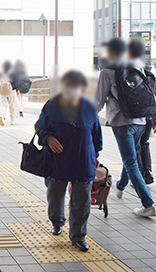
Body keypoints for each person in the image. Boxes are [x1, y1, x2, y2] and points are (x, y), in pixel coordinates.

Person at [36, 71, 102, 252]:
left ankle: (78, 236)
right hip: (59, 160)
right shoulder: (52, 106)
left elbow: (96, 135)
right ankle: (57, 222)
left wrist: (95, 155)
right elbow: (40, 128)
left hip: (83, 160)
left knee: (82, 201)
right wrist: (48, 138)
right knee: (55, 194)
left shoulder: (89, 108)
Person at [95, 38, 156, 217]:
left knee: (130, 161)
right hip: (140, 121)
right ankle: (121, 186)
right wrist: (154, 117)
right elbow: (149, 92)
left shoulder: (108, 71)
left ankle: (148, 203)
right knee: (130, 157)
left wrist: (89, 116)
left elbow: (99, 100)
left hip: (122, 122)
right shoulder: (138, 66)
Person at [126, 41, 156, 185]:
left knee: (133, 146)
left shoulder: (126, 70)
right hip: (148, 114)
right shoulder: (151, 70)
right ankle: (147, 173)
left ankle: (136, 176)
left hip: (132, 115)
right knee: (144, 143)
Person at [0, 61, 17, 126]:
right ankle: (12, 120)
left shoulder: (0, 73)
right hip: (11, 91)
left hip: (2, 92)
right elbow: (16, 82)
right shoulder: (13, 73)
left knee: (3, 104)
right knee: (12, 105)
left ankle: (1, 115)